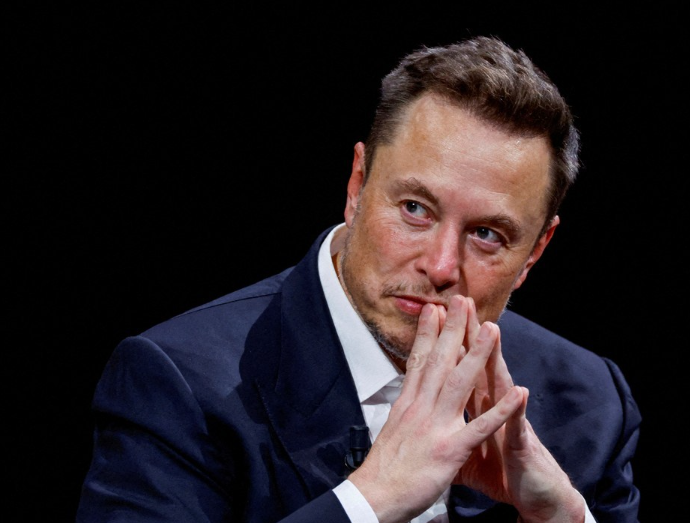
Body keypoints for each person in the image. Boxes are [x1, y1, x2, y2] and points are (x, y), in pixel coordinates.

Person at [76, 35, 641, 523]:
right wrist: (369, 501)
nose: (441, 267)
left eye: (488, 234)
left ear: (536, 251)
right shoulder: (178, 385)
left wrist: (562, 515)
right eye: (415, 209)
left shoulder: (589, 401)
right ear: (357, 183)